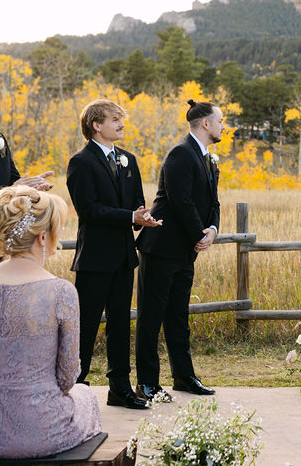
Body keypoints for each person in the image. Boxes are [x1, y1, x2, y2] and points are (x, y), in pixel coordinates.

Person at [0, 186, 102, 459]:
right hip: (35, 432)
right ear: (43, 237)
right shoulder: (60, 292)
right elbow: (67, 377)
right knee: (85, 396)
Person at [66, 99, 161, 410]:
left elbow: (136, 202)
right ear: (96, 125)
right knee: (86, 325)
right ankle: (72, 389)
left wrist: (141, 217)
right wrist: (129, 217)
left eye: (122, 119)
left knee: (120, 324)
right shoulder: (81, 162)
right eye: (115, 119)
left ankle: (119, 388)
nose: (122, 125)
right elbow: (89, 210)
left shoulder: (128, 160)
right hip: (94, 259)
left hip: (123, 257)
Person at [134, 99, 222, 402]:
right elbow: (180, 200)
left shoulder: (208, 158)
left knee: (178, 317)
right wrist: (200, 233)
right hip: (160, 247)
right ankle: (146, 384)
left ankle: (184, 377)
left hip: (186, 250)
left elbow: (214, 203)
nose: (224, 127)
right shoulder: (181, 154)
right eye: (220, 121)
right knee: (151, 317)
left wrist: (212, 231)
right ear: (205, 124)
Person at [0, 84, 54, 265]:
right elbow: (8, 188)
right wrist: (7, 193)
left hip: (0, 247)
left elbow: (13, 179)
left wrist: (29, 188)